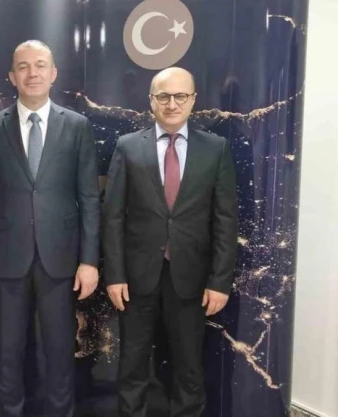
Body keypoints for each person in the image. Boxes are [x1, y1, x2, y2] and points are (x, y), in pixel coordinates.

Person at [0, 40, 100, 417]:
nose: (32, 73)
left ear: (53, 73)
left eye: (40, 65)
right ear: (12, 76)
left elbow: (89, 197)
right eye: (24, 66)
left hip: (61, 260)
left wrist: (89, 261)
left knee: (60, 351)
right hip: (6, 260)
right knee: (7, 353)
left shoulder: (76, 126)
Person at [102, 67, 238, 417]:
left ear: (193, 100)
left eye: (180, 96)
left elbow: (225, 221)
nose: (172, 103)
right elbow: (113, 216)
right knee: (132, 365)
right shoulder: (128, 146)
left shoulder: (216, 149)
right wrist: (114, 275)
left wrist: (220, 281)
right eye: (163, 96)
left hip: (192, 278)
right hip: (136, 278)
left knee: (189, 367)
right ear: (151, 101)